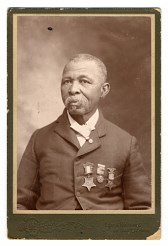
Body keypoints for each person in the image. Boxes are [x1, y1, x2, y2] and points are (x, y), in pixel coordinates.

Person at [17, 53, 151, 210]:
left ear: (104, 90)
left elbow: (140, 209)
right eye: (67, 81)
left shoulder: (125, 142)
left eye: (84, 81)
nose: (73, 89)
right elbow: (20, 204)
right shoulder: (39, 139)